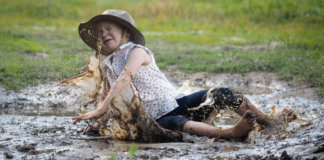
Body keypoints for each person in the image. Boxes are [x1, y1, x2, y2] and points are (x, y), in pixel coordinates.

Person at [72, 9, 296, 140]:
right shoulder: (108, 66)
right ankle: (229, 132)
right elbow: (109, 100)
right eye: (100, 32)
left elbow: (125, 78)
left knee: (220, 93)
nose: (103, 34)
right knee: (179, 123)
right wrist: (97, 122)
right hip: (156, 121)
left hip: (176, 104)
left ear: (126, 32)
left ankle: (266, 120)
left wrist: (100, 109)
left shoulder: (136, 51)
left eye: (109, 28)